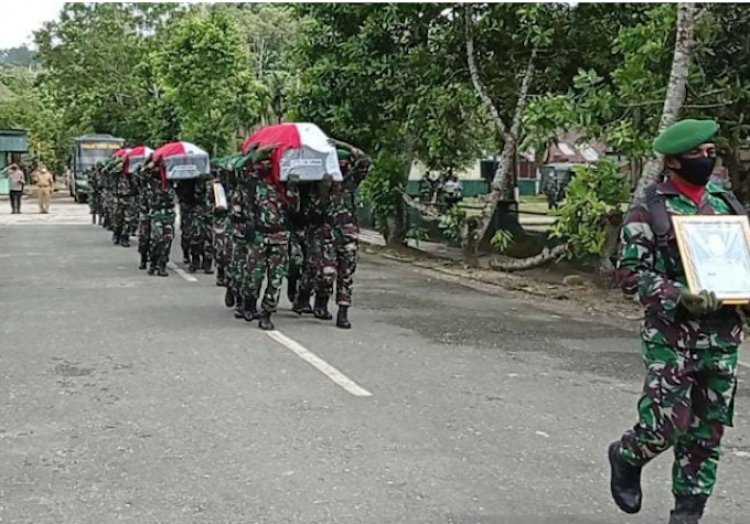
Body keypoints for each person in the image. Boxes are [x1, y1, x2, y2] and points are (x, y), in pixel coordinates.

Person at [610, 119, 746, 524]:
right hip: (672, 335)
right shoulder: (650, 208)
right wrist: (678, 295)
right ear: (672, 161)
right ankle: (627, 454)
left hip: (721, 337)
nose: (706, 158)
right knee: (665, 423)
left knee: (706, 434)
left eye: (710, 152)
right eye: (695, 154)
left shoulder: (727, 205)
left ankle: (687, 515)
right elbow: (630, 274)